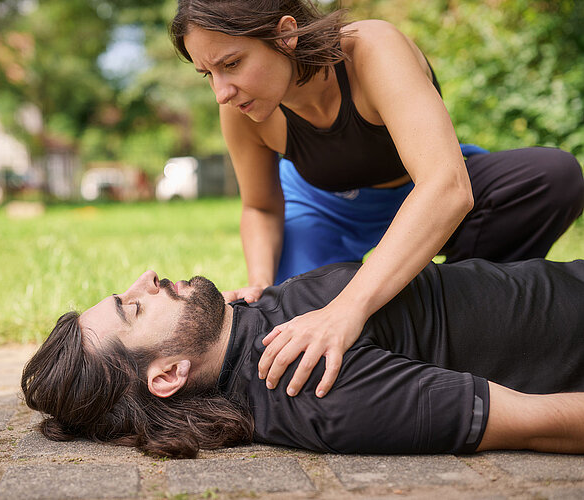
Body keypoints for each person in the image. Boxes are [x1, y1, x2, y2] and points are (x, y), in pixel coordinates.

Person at [168, 0, 584, 400]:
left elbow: (445, 184)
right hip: (326, 210)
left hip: (425, 186)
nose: (222, 92)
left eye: (231, 64)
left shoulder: (371, 49)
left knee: (553, 177)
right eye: (209, 74)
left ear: (285, 35)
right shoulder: (240, 109)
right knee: (292, 332)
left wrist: (348, 307)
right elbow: (261, 206)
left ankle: (460, 310)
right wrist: (261, 279)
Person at [21, 258, 584, 459]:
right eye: (133, 309)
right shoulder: (308, 387)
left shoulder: (245, 331)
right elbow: (538, 426)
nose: (145, 279)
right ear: (168, 375)